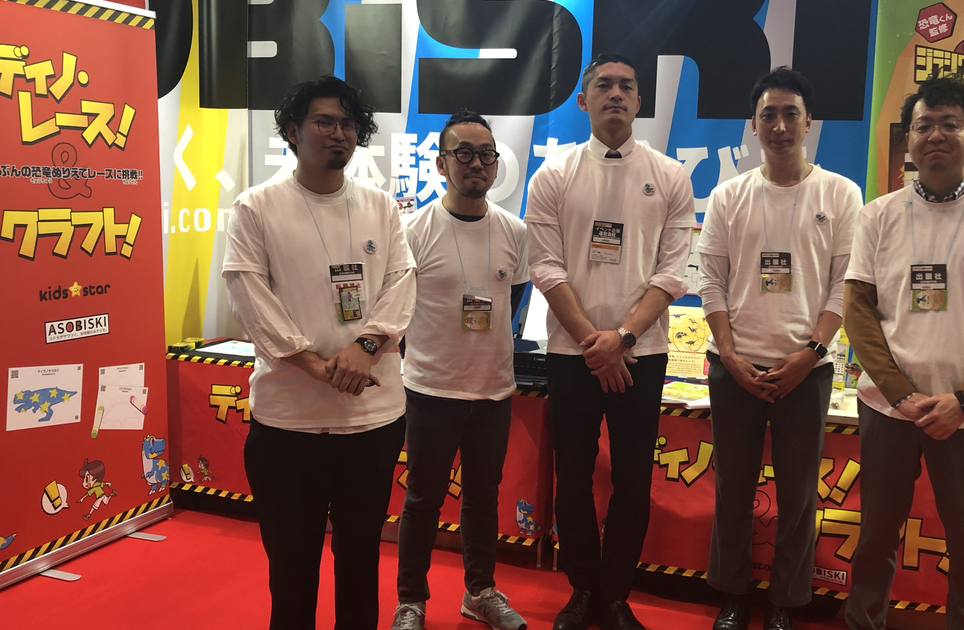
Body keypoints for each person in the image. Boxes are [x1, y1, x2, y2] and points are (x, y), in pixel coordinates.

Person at [841, 74, 964, 630]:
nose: (935, 135)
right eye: (923, 125)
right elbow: (859, 314)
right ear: (907, 139)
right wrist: (900, 395)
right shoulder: (877, 215)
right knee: (875, 537)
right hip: (888, 410)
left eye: (950, 124)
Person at [223, 75, 417, 630]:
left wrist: (365, 348)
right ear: (293, 131)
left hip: (372, 421)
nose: (339, 133)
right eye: (324, 122)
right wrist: (316, 366)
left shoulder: (380, 206)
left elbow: (402, 282)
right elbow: (250, 296)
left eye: (348, 124)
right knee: (292, 566)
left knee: (360, 559)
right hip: (289, 423)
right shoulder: (257, 207)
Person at [525, 53, 696, 630]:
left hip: (641, 354)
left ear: (640, 101)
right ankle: (581, 589)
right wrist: (593, 345)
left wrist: (621, 339)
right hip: (571, 355)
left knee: (632, 478)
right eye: (604, 85)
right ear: (583, 100)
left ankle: (615, 594)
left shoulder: (669, 176)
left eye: (626, 86)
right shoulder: (553, 176)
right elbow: (546, 268)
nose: (615, 93)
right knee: (572, 476)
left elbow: (672, 273)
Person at [697, 67, 861, 630]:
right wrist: (730, 355)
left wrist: (811, 352)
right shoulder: (728, 195)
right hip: (733, 368)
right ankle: (732, 596)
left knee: (797, 495)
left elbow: (845, 284)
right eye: (768, 114)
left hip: (806, 370)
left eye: (791, 114)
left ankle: (786, 604)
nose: (780, 125)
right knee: (733, 489)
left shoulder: (840, 193)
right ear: (753, 125)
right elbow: (710, 282)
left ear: (809, 123)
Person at [391, 109, 529, 630]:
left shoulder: (514, 231)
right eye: (464, 153)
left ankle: (480, 592)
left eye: (486, 154)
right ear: (441, 163)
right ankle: (411, 600)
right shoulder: (415, 230)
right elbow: (397, 309)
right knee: (422, 499)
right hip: (430, 389)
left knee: (482, 499)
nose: (476, 163)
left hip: (493, 390)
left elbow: (514, 298)